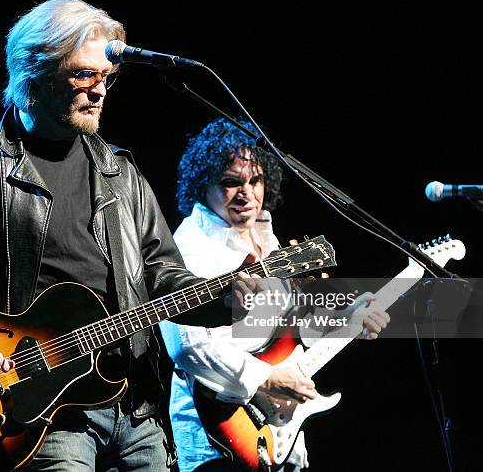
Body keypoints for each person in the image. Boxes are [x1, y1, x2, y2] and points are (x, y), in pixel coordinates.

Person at [0, 0, 245, 472]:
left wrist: (232, 299)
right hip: (34, 413)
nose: (100, 91)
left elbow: (163, 277)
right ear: (35, 71)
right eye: (84, 75)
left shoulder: (120, 173)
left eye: (107, 78)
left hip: (134, 410)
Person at [159, 118, 390, 472]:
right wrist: (264, 378)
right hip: (217, 439)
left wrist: (348, 319)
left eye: (255, 181)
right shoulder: (191, 246)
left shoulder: (264, 235)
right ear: (201, 185)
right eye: (231, 183)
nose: (247, 194)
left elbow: (285, 329)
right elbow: (188, 346)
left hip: (279, 432)